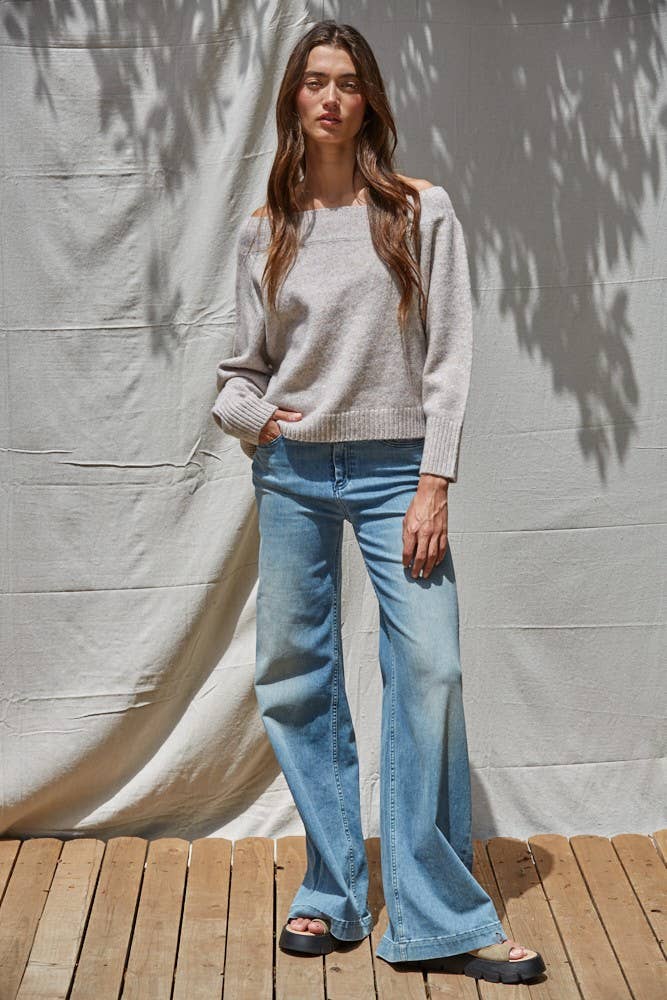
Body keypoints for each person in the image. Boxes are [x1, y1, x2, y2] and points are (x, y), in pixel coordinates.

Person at [212, 19, 546, 987]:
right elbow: (238, 373)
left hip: (400, 469)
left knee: (430, 668)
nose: (330, 97)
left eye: (348, 82)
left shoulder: (416, 210)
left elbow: (449, 357)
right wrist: (258, 420)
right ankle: (333, 892)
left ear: (369, 102)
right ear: (294, 97)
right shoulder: (266, 229)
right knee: (295, 676)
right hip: (293, 473)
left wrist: (434, 479)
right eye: (314, 80)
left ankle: (437, 916)